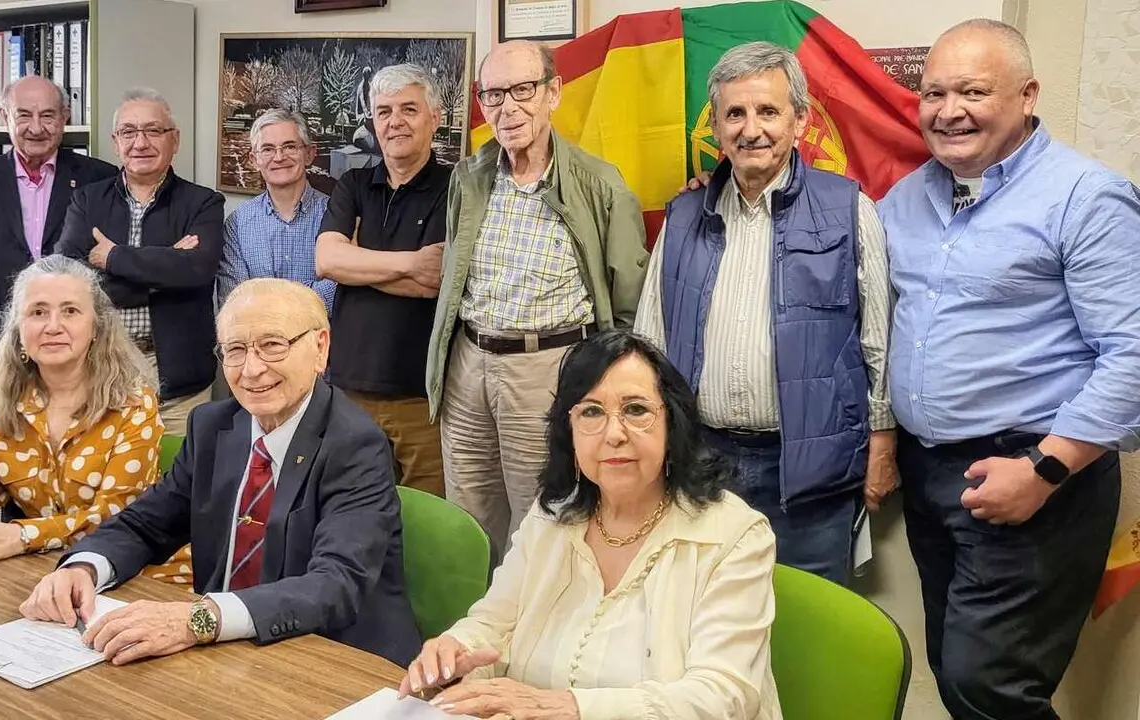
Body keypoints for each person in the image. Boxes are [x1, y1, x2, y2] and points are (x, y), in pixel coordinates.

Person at [878, 19, 1140, 719]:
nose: (948, 110)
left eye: (972, 91)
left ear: (1027, 95)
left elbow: (1134, 355)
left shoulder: (1086, 198)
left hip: (1038, 477)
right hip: (933, 474)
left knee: (987, 685)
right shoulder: (906, 201)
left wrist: (1046, 470)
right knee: (957, 671)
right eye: (934, 92)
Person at [18, 279, 421, 668]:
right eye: (235, 350)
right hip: (227, 654)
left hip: (333, 659)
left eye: (272, 346)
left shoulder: (356, 444)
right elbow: (146, 525)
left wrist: (198, 620)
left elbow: (334, 584)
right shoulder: (212, 427)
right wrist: (83, 567)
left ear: (320, 348)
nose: (252, 369)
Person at [400, 330, 781, 720]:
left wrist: (569, 707)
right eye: (592, 412)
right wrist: (454, 655)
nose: (614, 434)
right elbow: (493, 625)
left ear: (673, 424)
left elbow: (722, 697)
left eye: (636, 410)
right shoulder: (552, 516)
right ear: (570, 431)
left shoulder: (734, 535)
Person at [633, 41, 895, 586]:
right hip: (703, 465)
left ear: (799, 120)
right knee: (703, 626)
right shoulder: (684, 216)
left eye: (768, 111)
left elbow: (879, 346)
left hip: (811, 474)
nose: (751, 129)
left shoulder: (848, 208)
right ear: (718, 129)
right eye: (735, 113)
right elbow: (650, 342)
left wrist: (883, 445)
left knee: (809, 631)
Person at [425, 40, 649, 558]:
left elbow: (630, 304)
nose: (508, 107)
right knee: (467, 518)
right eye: (494, 94)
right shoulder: (470, 177)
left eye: (523, 89)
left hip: (547, 369)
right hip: (468, 364)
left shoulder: (600, 184)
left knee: (543, 522)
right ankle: (476, 632)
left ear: (553, 93)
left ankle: (534, 636)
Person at [0, 255, 190, 583]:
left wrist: (18, 536)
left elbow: (116, 519)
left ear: (96, 328)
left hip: (133, 574)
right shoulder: (2, 397)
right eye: (37, 312)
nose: (52, 326)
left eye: (70, 311)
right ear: (19, 331)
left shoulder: (132, 402)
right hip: (36, 570)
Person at [56, 88, 225, 437]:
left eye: (153, 130)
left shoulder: (203, 203)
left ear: (174, 140)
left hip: (180, 381)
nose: (141, 142)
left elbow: (197, 271)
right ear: (116, 142)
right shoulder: (87, 201)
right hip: (102, 373)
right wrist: (165, 266)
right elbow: (68, 280)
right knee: (109, 484)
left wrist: (112, 257)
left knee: (180, 482)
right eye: (129, 132)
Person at [315, 64, 449, 497]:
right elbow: (327, 261)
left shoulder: (457, 187)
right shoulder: (353, 183)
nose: (395, 121)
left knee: (429, 526)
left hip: (423, 398)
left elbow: (436, 280)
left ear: (435, 117)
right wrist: (410, 262)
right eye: (384, 111)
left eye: (409, 109)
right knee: (352, 512)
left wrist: (359, 264)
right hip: (350, 389)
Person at [0, 75, 117, 378]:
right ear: (5, 117)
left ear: (65, 117)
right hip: (4, 346)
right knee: (6, 426)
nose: (36, 128)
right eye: (24, 115)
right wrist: (13, 318)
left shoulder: (100, 179)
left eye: (48, 115)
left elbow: (108, 271)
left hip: (80, 350)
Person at [218, 109, 333, 312]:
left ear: (309, 154)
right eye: (268, 149)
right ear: (254, 160)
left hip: (322, 341)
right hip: (256, 341)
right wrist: (307, 295)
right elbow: (235, 302)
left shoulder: (336, 214)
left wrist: (265, 298)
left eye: (289, 146)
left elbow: (340, 290)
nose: (279, 157)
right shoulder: (237, 223)